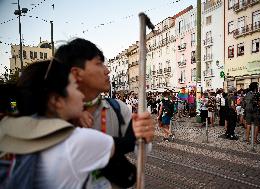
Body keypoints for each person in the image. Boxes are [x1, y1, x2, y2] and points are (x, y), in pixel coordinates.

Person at [54, 38, 154, 188]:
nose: (107, 70)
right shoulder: (50, 116)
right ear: (76, 73)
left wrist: (143, 136)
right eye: (99, 63)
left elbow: (141, 150)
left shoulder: (118, 108)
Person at [0, 60, 114, 188]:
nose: (81, 95)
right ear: (56, 100)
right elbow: (115, 148)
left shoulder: (10, 132)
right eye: (76, 87)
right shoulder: (76, 141)